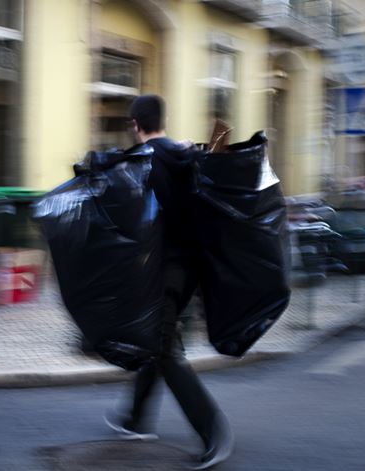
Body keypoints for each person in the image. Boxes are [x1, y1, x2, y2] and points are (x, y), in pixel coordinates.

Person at [104, 95, 234, 469]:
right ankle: (134, 419)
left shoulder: (142, 163)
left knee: (162, 348)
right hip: (189, 269)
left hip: (159, 269)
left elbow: (132, 222)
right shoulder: (185, 155)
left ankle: (213, 431)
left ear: (135, 124)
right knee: (154, 341)